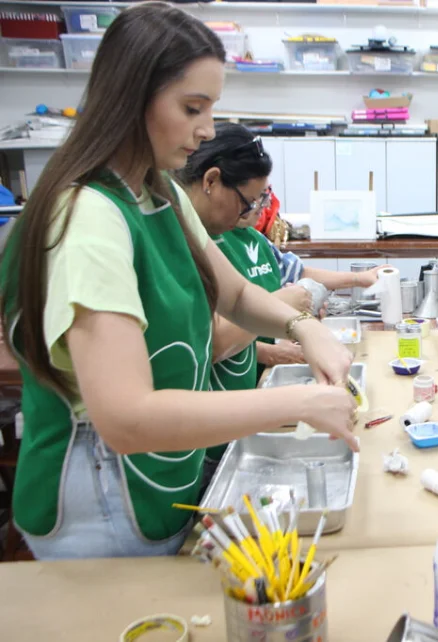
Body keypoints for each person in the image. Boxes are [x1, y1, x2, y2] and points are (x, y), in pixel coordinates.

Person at [0, 3, 357, 561]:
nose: (207, 130)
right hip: (103, 493)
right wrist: (299, 402)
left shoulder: (158, 193)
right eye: (192, 107)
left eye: (211, 108)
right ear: (132, 96)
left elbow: (234, 293)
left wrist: (300, 325)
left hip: (160, 476)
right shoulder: (89, 216)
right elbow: (125, 417)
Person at [178, 123, 389, 375]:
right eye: (248, 202)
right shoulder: (180, 239)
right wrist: (285, 307)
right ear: (210, 181)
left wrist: (299, 322)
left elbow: (240, 299)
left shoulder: (229, 237)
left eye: (261, 199)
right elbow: (210, 344)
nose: (254, 211)